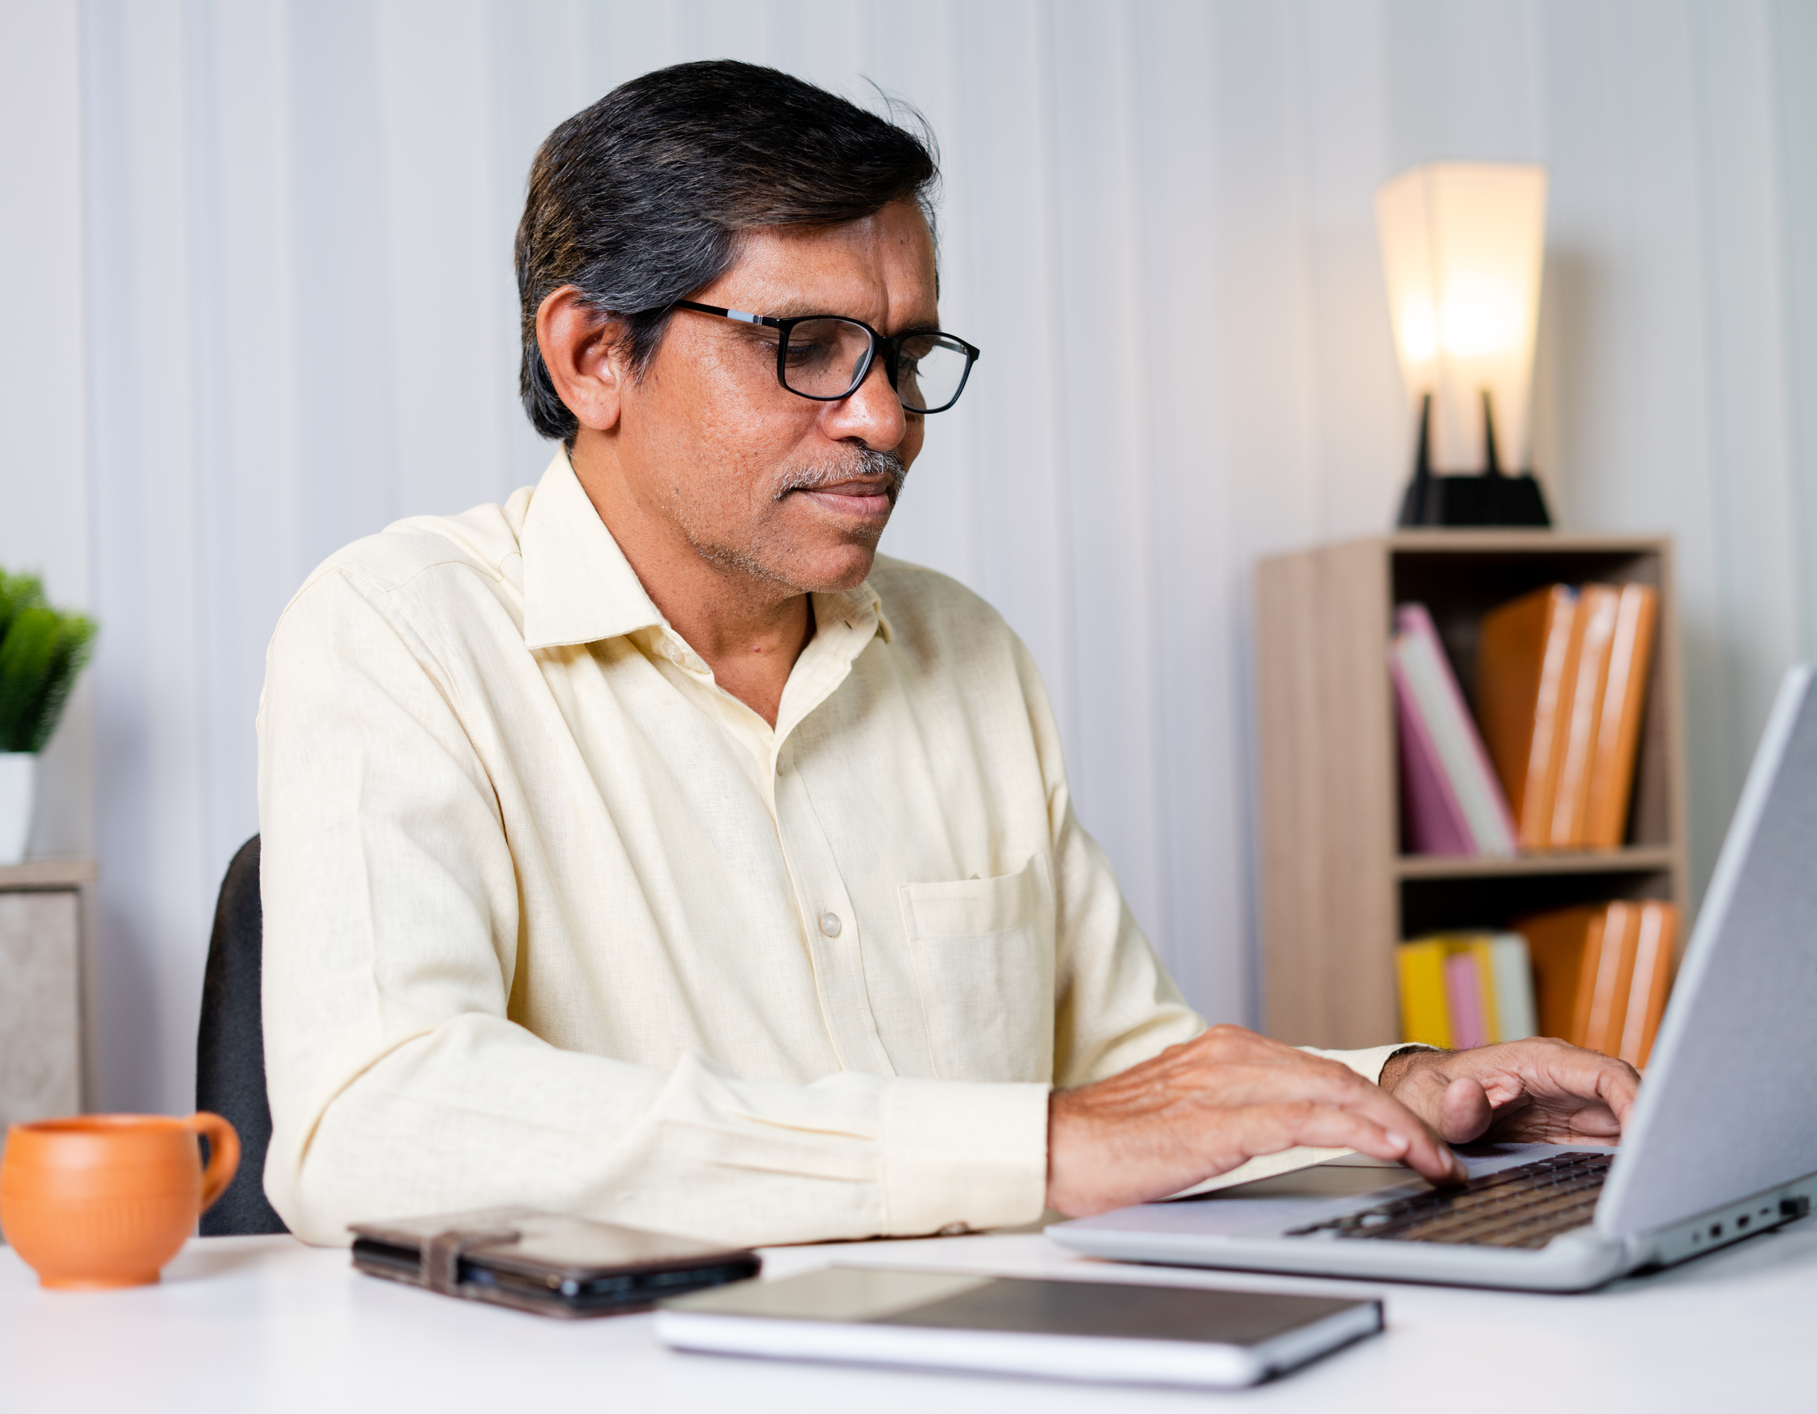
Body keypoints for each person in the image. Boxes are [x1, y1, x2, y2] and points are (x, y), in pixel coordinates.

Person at [258, 59, 1637, 1247]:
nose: (884, 418)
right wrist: (1024, 1153)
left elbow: (1124, 1078)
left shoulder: (963, 647)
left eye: (906, 355)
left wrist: (1395, 1086)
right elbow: (376, 1123)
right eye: (806, 345)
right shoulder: (397, 630)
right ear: (592, 355)